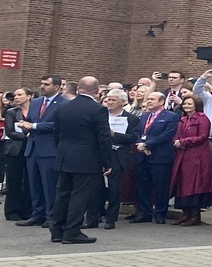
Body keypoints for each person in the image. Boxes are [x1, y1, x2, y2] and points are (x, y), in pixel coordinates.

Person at [39, 78, 111, 245]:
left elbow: (56, 132)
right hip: (87, 158)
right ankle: (72, 231)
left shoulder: (63, 106)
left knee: (62, 193)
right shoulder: (98, 109)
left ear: (78, 88)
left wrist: (61, 149)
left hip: (65, 156)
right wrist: (107, 161)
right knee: (80, 195)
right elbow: (104, 137)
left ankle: (57, 229)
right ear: (97, 91)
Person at [16, 75, 64, 227]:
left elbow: (58, 124)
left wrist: (35, 126)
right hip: (32, 148)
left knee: (49, 184)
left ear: (56, 87)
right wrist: (25, 125)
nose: (42, 87)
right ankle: (37, 213)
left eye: (46, 84)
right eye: (42, 83)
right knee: (34, 183)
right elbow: (31, 120)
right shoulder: (36, 102)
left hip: (49, 149)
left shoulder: (63, 103)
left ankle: (51, 215)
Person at [130, 90, 178, 224]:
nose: (148, 101)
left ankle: (160, 213)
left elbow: (167, 135)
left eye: (152, 99)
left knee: (161, 186)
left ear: (161, 101)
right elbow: (137, 133)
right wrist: (140, 144)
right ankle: (144, 212)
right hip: (142, 156)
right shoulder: (144, 116)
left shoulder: (171, 116)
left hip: (160, 156)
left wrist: (147, 145)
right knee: (143, 186)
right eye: (148, 99)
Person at [168, 95, 212, 226]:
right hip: (182, 155)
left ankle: (195, 215)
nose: (186, 106)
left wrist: (183, 142)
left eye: (190, 104)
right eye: (185, 104)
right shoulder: (183, 119)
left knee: (194, 185)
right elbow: (177, 135)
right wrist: (176, 141)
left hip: (197, 156)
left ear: (196, 105)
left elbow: (202, 137)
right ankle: (186, 214)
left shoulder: (202, 119)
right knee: (182, 184)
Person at [98, 88, 136, 229]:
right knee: (97, 187)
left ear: (123, 102)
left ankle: (111, 219)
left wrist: (114, 134)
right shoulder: (99, 115)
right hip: (99, 154)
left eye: (113, 100)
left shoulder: (131, 118)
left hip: (118, 155)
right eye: (108, 99)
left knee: (114, 189)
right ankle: (95, 215)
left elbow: (132, 137)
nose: (110, 102)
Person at [3, 87, 33, 221]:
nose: (16, 97)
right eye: (15, 95)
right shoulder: (11, 112)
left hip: (31, 149)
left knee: (28, 180)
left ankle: (27, 210)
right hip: (15, 150)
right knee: (14, 180)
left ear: (29, 96)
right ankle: (12, 211)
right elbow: (10, 132)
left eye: (20, 95)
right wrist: (27, 136)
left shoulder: (35, 111)